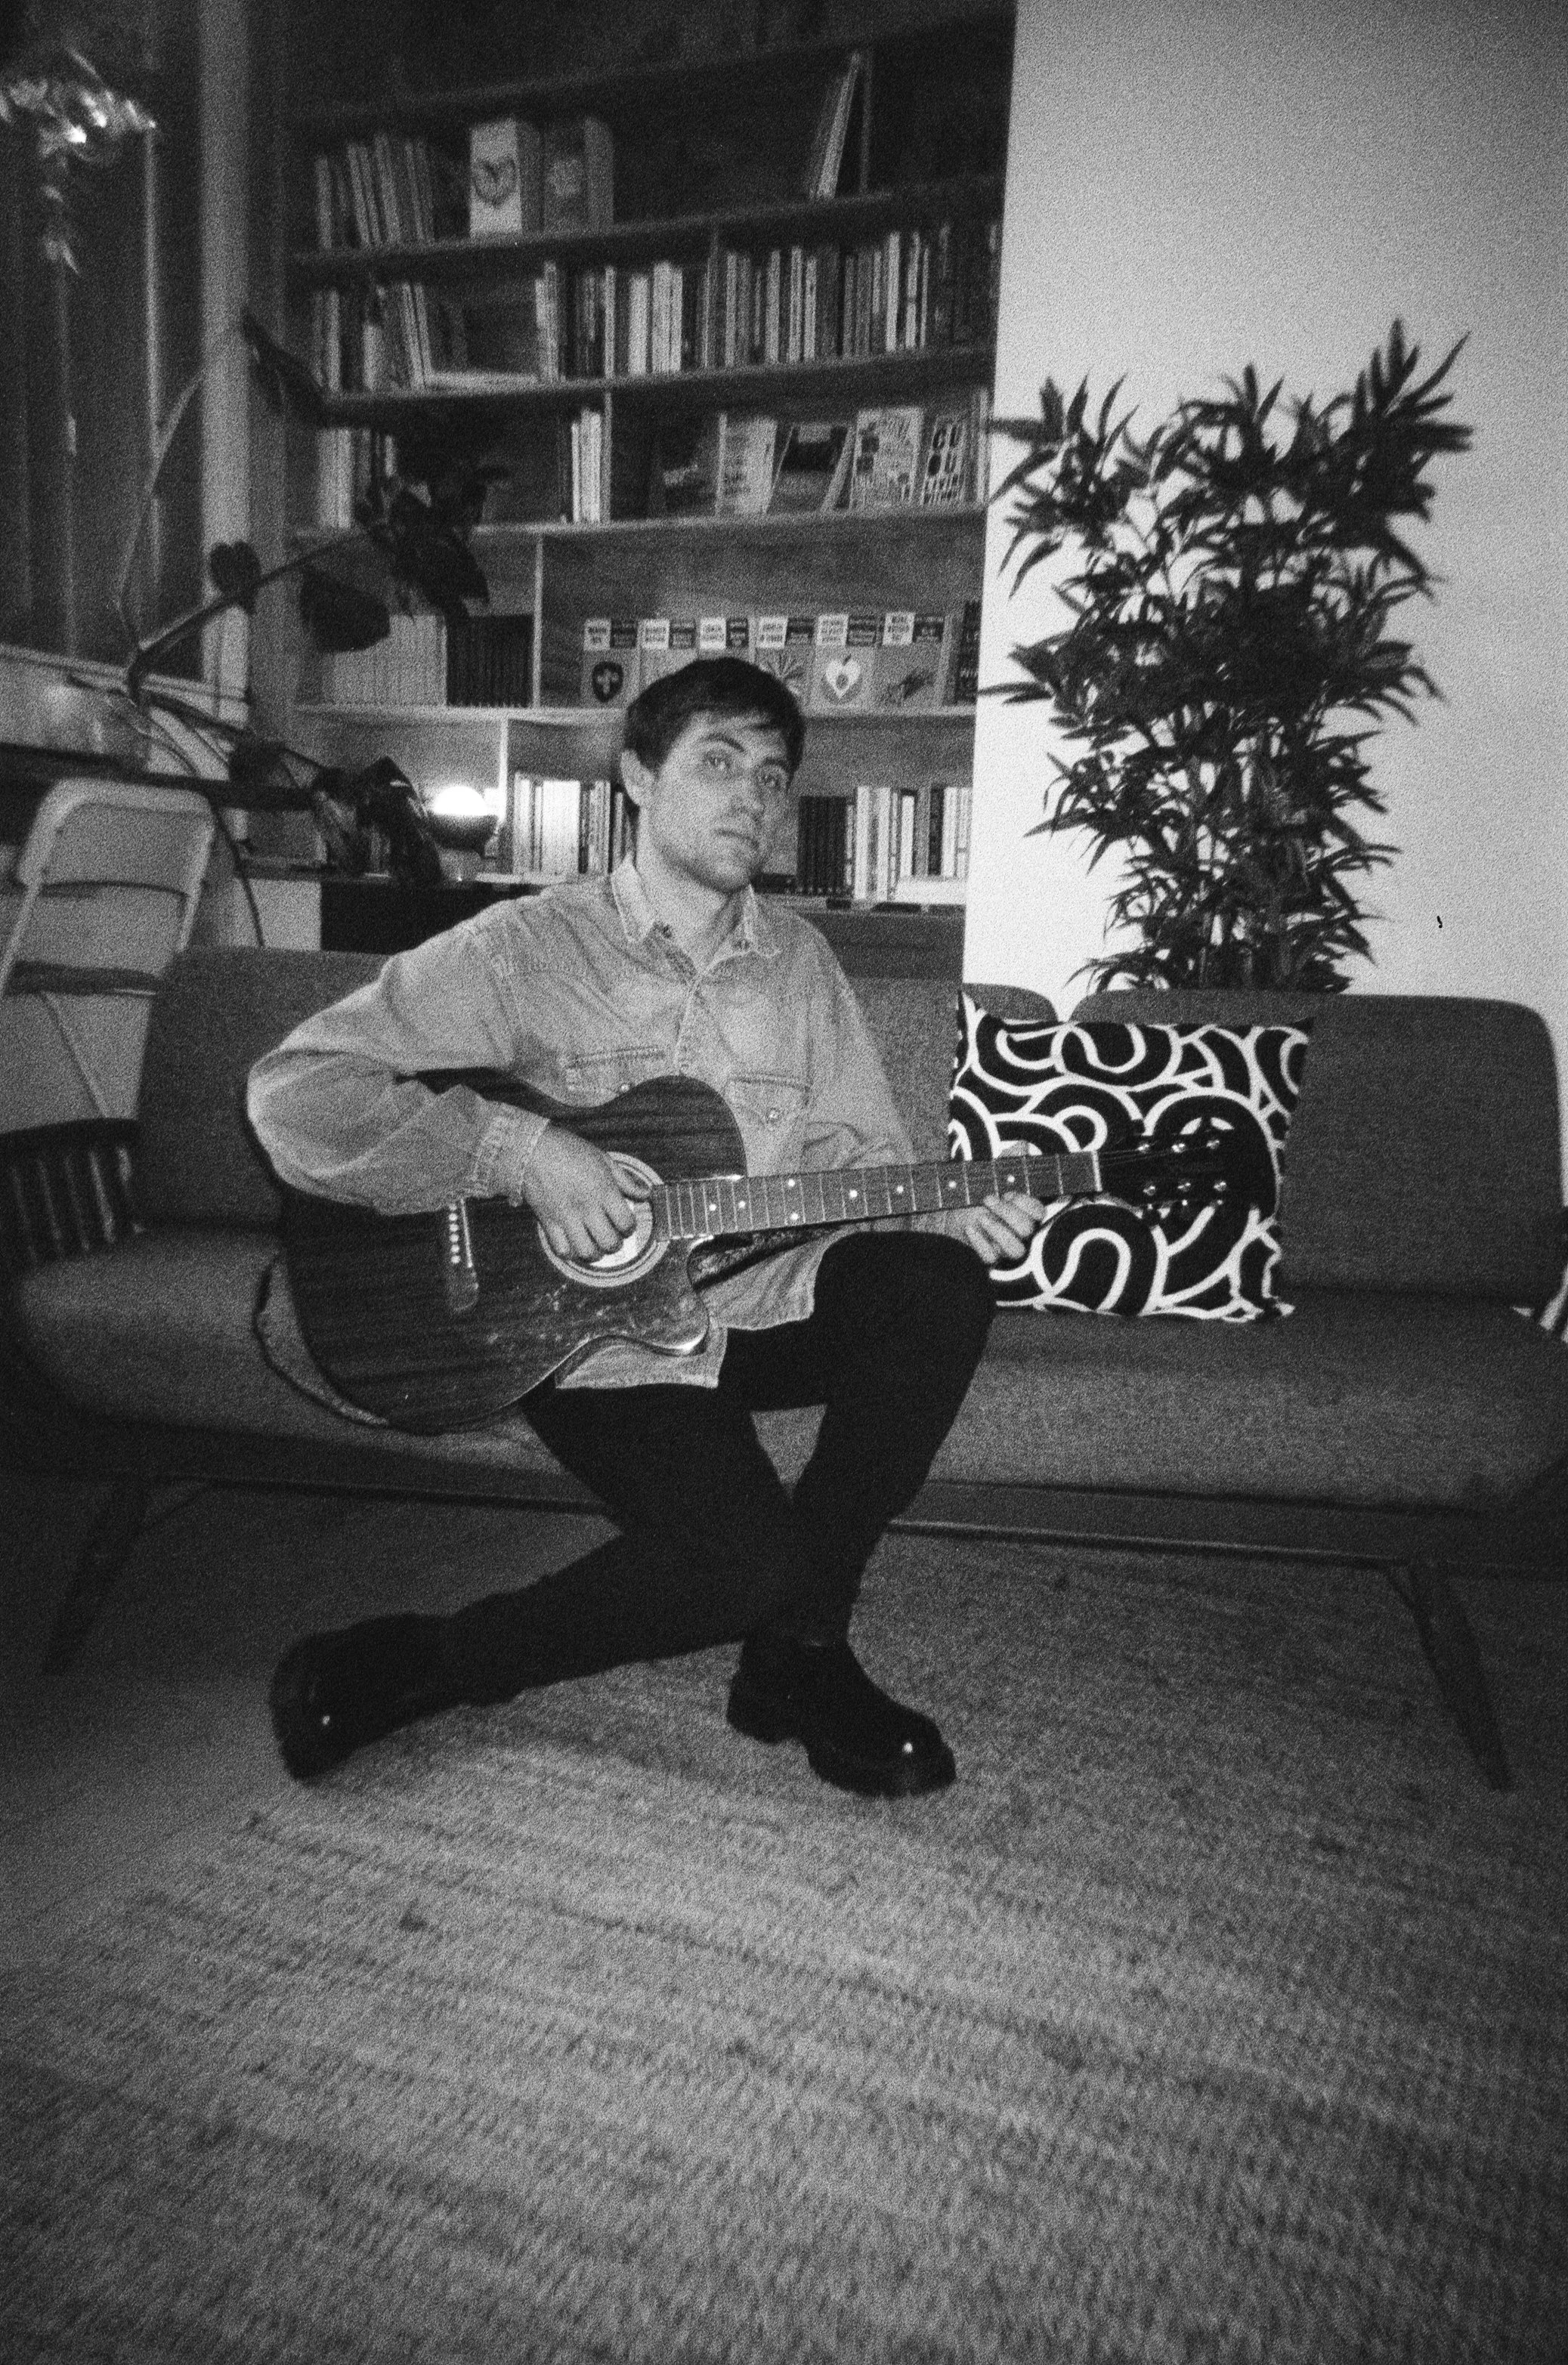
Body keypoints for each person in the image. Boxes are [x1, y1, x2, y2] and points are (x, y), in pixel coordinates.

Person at [248, 657, 1048, 1799]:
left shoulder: (803, 964)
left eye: (772, 776)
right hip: (586, 1333)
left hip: (758, 1300)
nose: (753, 797)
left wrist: (941, 1204)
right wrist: (520, 1152)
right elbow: (296, 1088)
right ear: (636, 776)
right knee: (737, 1563)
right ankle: (427, 1661)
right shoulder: (524, 947)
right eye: (719, 762)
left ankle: (798, 1649)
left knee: (936, 1284)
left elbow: (860, 1159)